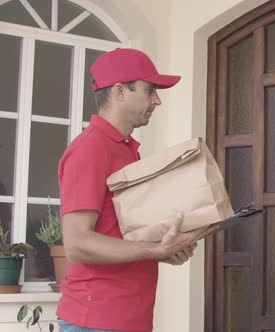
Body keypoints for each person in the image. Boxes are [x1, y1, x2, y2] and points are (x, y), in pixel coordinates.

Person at [56, 48, 210, 332]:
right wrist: (154, 250)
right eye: (150, 89)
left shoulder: (124, 151)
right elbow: (77, 244)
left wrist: (164, 249)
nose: (157, 100)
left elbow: (119, 234)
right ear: (119, 91)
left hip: (127, 319)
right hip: (96, 321)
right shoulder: (90, 149)